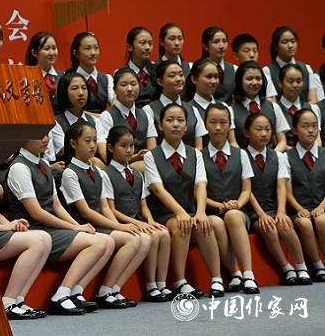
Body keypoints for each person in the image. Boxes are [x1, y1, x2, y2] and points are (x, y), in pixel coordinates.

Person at [4, 136, 113, 315]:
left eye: (47, 134)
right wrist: (73, 228)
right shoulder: (19, 167)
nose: (45, 139)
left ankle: (75, 293)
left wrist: (79, 226)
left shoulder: (44, 164)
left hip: (50, 229)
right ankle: (61, 295)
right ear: (24, 137)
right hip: (33, 228)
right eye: (39, 135)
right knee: (98, 243)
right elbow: (36, 213)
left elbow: (57, 206)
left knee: (107, 241)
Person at [59, 121, 149, 308]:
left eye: (94, 140)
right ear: (73, 143)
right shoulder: (70, 173)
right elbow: (85, 211)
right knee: (132, 240)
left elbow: (105, 208)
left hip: (100, 225)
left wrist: (119, 226)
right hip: (84, 226)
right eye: (87, 141)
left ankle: (111, 289)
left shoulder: (97, 172)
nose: (93, 145)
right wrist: (118, 226)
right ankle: (101, 290)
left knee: (143, 239)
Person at [144, 103, 225, 298]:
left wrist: (201, 212)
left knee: (207, 223)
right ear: (160, 125)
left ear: (187, 126)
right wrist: (180, 212)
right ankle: (180, 281)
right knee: (182, 225)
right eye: (170, 120)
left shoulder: (195, 154)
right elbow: (158, 189)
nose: (175, 124)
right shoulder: (151, 156)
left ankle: (217, 279)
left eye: (180, 120)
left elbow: (200, 185)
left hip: (191, 211)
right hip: (164, 214)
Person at [103, 126, 172, 302]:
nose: (129, 150)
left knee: (163, 233)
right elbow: (111, 209)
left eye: (131, 146)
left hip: (138, 220)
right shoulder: (106, 174)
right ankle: (150, 285)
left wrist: (150, 220)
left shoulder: (137, 174)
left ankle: (161, 283)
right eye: (123, 145)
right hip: (123, 222)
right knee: (152, 236)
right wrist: (138, 224)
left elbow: (144, 206)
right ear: (110, 147)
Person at [242, 113, 311, 286]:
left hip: (274, 208)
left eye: (267, 129)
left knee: (285, 225)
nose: (264, 133)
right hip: (254, 211)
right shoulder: (242, 156)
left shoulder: (278, 156)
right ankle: (287, 268)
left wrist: (281, 211)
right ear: (247, 132)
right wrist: (261, 214)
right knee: (269, 228)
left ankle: (301, 267)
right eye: (258, 129)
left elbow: (281, 186)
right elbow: (247, 191)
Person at [202, 103, 259, 294]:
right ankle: (234, 274)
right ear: (205, 124)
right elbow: (198, 192)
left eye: (223, 122)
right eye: (213, 122)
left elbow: (246, 189)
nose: (218, 127)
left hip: (238, 212)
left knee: (233, 216)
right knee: (214, 222)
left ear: (230, 125)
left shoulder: (240, 154)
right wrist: (218, 206)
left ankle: (248, 274)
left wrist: (237, 204)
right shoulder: (198, 156)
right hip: (212, 211)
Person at [0, 166, 50, 320]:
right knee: (36, 242)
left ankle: (18, 300)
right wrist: (4, 228)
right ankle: (7, 302)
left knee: (45, 238)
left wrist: (14, 225)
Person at [285, 109, 325, 282]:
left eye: (314, 126)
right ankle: (318, 265)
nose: (311, 130)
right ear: (295, 130)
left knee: (322, 220)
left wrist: (321, 207)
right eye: (305, 126)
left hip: (322, 206)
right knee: (304, 223)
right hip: (299, 208)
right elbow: (287, 191)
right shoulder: (286, 157)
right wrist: (299, 209)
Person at [95, 68, 157, 173]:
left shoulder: (145, 115)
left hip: (145, 164)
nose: (129, 89)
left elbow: (152, 150)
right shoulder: (107, 116)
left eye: (133, 84)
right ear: (114, 89)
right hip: (117, 168)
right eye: (124, 85)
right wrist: (133, 157)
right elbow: (104, 153)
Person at [145, 60, 207, 148]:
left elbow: (199, 146)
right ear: (160, 81)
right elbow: (151, 149)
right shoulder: (149, 110)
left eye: (181, 75)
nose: (178, 79)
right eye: (172, 76)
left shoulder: (193, 110)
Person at [231, 61, 289, 151]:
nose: (255, 83)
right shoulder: (230, 109)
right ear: (240, 81)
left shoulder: (274, 107)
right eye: (249, 79)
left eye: (258, 78)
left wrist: (270, 156)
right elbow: (232, 142)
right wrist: (244, 157)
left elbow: (282, 142)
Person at [184, 58, 238, 146]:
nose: (213, 81)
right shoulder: (187, 109)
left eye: (216, 77)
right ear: (194, 79)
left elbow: (232, 142)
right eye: (208, 77)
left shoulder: (224, 106)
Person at [49, 71, 97, 163]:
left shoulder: (94, 120)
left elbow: (102, 147)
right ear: (64, 92)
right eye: (75, 88)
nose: (81, 93)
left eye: (84, 88)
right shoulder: (56, 123)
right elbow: (68, 151)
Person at [264, 26, 321, 104]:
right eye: (285, 42)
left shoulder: (307, 69)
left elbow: (313, 100)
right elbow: (272, 104)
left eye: (293, 41)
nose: (290, 46)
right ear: (276, 46)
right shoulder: (267, 71)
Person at [70, 32, 113, 114]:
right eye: (87, 48)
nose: (93, 53)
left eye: (96, 48)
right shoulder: (69, 78)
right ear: (76, 53)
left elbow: (113, 101)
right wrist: (96, 117)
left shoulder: (107, 78)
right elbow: (70, 109)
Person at [118, 26, 156, 108]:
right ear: (130, 47)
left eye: (150, 43)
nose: (148, 47)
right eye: (142, 43)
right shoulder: (121, 74)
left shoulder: (158, 70)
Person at [25, 32, 61, 109]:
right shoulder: (26, 77)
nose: (51, 53)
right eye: (47, 49)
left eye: (54, 48)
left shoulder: (63, 77)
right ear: (34, 53)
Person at [200, 26, 235, 104]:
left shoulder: (234, 69)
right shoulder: (196, 68)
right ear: (205, 46)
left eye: (224, 41)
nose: (222, 46)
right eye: (216, 42)